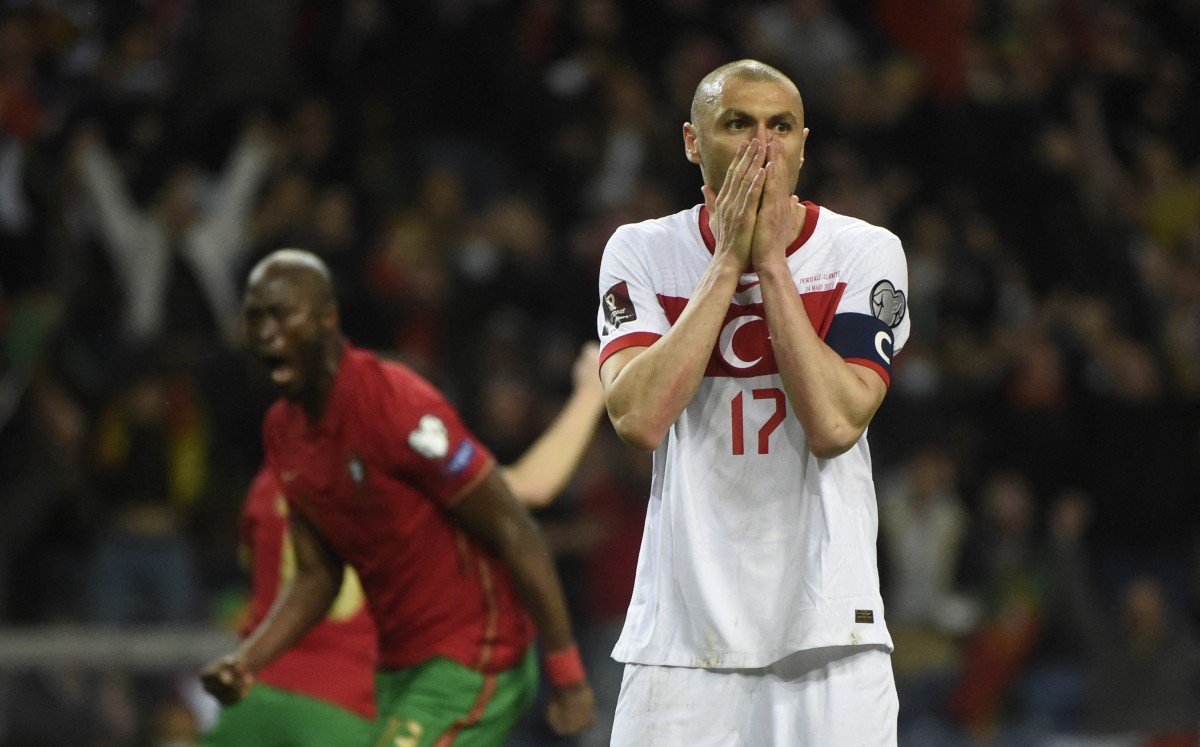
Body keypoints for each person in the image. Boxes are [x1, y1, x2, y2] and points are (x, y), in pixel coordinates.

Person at [596, 59, 909, 745]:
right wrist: (725, 263)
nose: (762, 145)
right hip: (680, 639)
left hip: (830, 630)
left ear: (804, 144)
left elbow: (835, 423)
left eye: (781, 127)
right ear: (691, 141)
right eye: (738, 124)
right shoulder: (642, 251)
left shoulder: (864, 252)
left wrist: (769, 263)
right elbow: (637, 419)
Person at [200, 248, 596, 745]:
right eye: (255, 317)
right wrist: (248, 660)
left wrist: (567, 674)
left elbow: (513, 523)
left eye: (283, 314)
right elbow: (317, 574)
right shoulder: (283, 432)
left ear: (328, 317)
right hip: (394, 669)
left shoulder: (394, 406)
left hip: (472, 656)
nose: (266, 333)